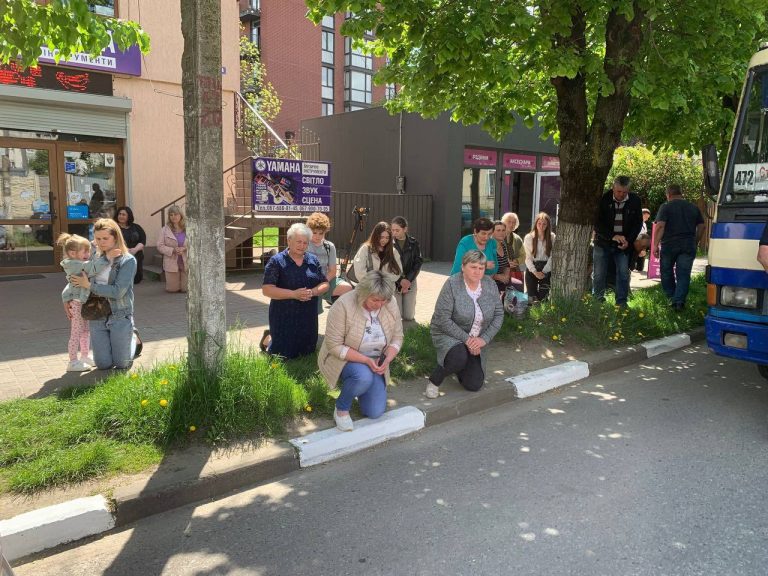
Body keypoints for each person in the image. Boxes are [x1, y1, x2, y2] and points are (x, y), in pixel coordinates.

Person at [318, 270, 403, 431]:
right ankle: (341, 408)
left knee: (375, 412)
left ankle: (359, 386)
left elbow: (398, 337)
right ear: (363, 294)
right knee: (363, 376)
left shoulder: (390, 303)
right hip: (344, 358)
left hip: (376, 358)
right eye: (375, 300)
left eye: (384, 300)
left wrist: (387, 359)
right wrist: (365, 360)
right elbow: (334, 345)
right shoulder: (343, 305)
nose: (380, 305)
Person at [426, 250, 505, 398]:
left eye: (481, 268)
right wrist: (468, 340)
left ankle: (457, 364)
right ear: (463, 267)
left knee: (474, 384)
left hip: (477, 338)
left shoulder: (490, 284)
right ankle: (435, 380)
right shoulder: (452, 284)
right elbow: (443, 319)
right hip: (448, 333)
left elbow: (499, 314)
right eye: (473, 267)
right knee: (458, 356)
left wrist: (483, 340)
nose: (477, 272)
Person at [69, 218, 137, 370]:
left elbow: (118, 292)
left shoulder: (128, 260)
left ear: (115, 237)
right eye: (98, 238)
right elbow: (75, 279)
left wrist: (89, 286)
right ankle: (119, 343)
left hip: (119, 314)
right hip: (97, 313)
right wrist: (66, 299)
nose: (101, 242)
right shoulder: (94, 257)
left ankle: (133, 338)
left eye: (105, 238)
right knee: (103, 364)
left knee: (121, 364)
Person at [262, 223, 330, 359]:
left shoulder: (313, 260)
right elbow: (267, 290)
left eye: (305, 243)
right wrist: (293, 294)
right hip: (284, 315)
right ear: (289, 240)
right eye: (299, 242)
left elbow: (325, 283)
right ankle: (267, 340)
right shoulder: (276, 261)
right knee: (281, 354)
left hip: (308, 315)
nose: (302, 246)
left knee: (307, 352)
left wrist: (313, 292)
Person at [56, 233, 113, 372]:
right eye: (85, 251)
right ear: (72, 253)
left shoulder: (78, 262)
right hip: (77, 304)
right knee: (76, 333)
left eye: (89, 251)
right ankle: (72, 361)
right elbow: (93, 268)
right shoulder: (73, 265)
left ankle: (85, 356)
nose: (89, 254)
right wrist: (107, 257)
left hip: (83, 303)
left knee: (85, 332)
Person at [651, 184, 705, 311]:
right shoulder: (693, 207)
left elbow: (660, 226)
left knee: (666, 272)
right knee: (683, 273)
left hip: (669, 244)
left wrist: (655, 245)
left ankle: (671, 298)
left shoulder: (665, 207)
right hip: (688, 244)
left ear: (668, 195)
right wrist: (695, 241)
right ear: (681, 194)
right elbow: (702, 226)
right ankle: (679, 301)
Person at [593, 175, 643, 306]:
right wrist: (612, 236)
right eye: (618, 191)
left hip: (624, 244)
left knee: (623, 273)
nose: (621, 194)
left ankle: (621, 302)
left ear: (629, 190)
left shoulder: (635, 200)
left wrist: (628, 240)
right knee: (599, 274)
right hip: (602, 242)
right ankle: (598, 301)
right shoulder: (603, 199)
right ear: (613, 188)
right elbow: (596, 223)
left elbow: (638, 223)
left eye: (624, 192)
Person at [306, 212, 352, 312]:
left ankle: (336, 313)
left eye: (321, 233)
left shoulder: (329, 246)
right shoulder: (304, 244)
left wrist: (323, 281)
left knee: (347, 288)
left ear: (325, 231)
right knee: (312, 312)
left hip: (325, 279)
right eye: (314, 233)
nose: (317, 236)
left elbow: (332, 271)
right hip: (307, 281)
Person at [391, 216, 423, 321]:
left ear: (405, 229)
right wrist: (400, 280)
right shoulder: (389, 244)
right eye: (392, 230)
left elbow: (418, 262)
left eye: (397, 230)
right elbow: (387, 265)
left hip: (410, 279)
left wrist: (408, 280)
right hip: (395, 280)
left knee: (409, 316)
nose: (394, 233)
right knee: (397, 315)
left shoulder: (414, 243)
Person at [523, 212, 556, 302]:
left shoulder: (552, 237)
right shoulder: (529, 237)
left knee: (543, 297)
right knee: (532, 297)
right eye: (539, 223)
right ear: (536, 224)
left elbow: (553, 256)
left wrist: (544, 271)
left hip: (546, 267)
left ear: (548, 225)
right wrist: (534, 272)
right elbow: (527, 257)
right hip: (532, 268)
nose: (541, 226)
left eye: (544, 224)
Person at [157, 205, 188, 293]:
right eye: (171, 215)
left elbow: (195, 244)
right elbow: (160, 246)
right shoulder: (164, 230)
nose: (173, 217)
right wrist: (173, 250)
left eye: (176, 214)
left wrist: (184, 248)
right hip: (171, 262)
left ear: (181, 215)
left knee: (185, 289)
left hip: (186, 261)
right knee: (172, 290)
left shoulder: (188, 228)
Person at [114, 206, 146, 284]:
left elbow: (143, 240)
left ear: (129, 216)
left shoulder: (136, 227)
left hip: (136, 254)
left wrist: (135, 249)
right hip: (120, 255)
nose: (121, 216)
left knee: (136, 279)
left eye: (123, 214)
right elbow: (112, 242)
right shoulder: (114, 228)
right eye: (119, 214)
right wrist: (125, 250)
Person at [501, 212, 526, 284]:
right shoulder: (497, 236)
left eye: (514, 222)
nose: (511, 224)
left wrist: (517, 261)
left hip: (516, 272)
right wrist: (506, 262)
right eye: (509, 222)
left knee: (516, 290)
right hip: (501, 272)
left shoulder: (517, 238)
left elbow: (523, 255)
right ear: (503, 222)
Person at [491, 220, 512, 295]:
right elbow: (484, 269)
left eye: (503, 230)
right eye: (498, 230)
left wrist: (506, 276)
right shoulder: (488, 246)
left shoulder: (503, 245)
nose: (501, 233)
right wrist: (499, 277)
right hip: (490, 282)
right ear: (492, 232)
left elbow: (506, 264)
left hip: (502, 281)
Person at [631, 208, 652, 272]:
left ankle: (638, 267)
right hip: (634, 242)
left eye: (648, 218)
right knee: (633, 257)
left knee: (640, 268)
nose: (647, 219)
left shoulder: (644, 224)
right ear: (642, 214)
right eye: (646, 217)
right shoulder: (634, 222)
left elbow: (644, 234)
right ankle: (631, 267)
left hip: (642, 243)